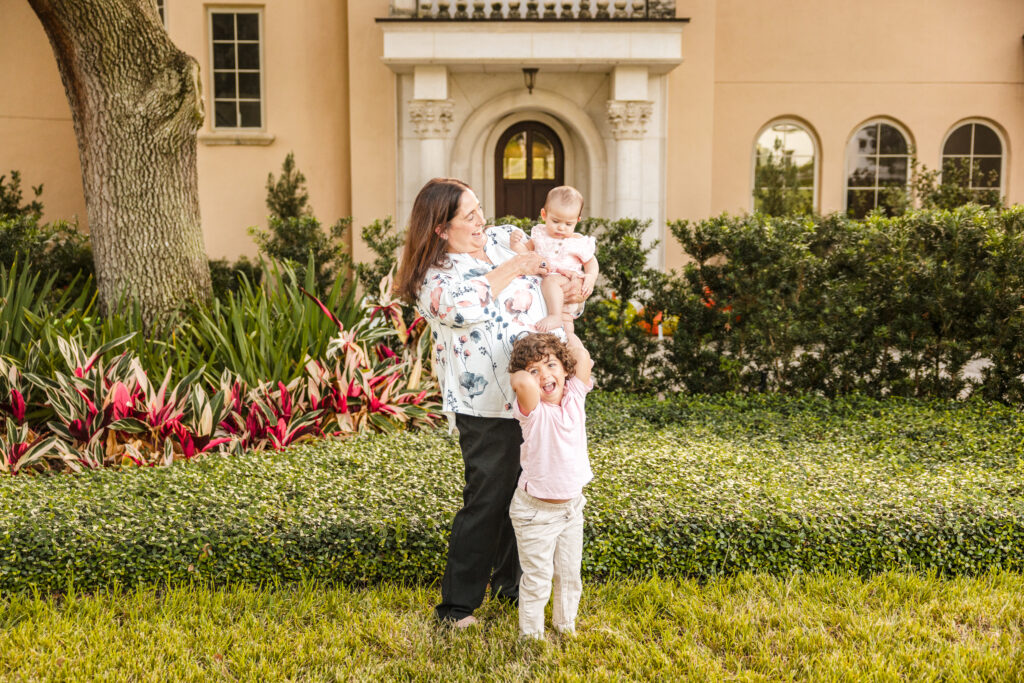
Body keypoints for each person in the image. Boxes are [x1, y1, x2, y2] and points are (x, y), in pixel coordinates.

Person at [393, 178, 585, 629]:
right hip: (487, 405)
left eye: (480, 210)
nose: (483, 221)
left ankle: (510, 585)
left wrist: (570, 290)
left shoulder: (502, 241)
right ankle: (457, 608)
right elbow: (463, 307)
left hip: (542, 399)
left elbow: (550, 268)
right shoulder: (433, 277)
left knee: (530, 490)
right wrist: (516, 268)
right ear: (441, 228)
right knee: (488, 499)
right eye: (470, 216)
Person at [507, 332, 594, 639]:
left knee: (569, 574)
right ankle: (531, 637)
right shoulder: (533, 412)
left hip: (572, 509)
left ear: (565, 370)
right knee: (538, 578)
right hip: (536, 513)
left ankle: (565, 624)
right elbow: (524, 384)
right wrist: (525, 369)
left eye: (551, 365)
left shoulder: (575, 398)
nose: (544, 374)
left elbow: (582, 356)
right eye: (535, 369)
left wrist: (562, 327)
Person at [509, 186, 598, 335]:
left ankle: (555, 316)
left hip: (567, 283)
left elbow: (591, 262)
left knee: (551, 281)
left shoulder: (577, 241)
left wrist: (591, 277)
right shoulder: (539, 235)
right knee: (566, 331)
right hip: (550, 297)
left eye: (568, 224)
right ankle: (568, 343)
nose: (561, 228)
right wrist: (515, 244)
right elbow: (526, 253)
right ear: (544, 214)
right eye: (556, 221)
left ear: (577, 221)